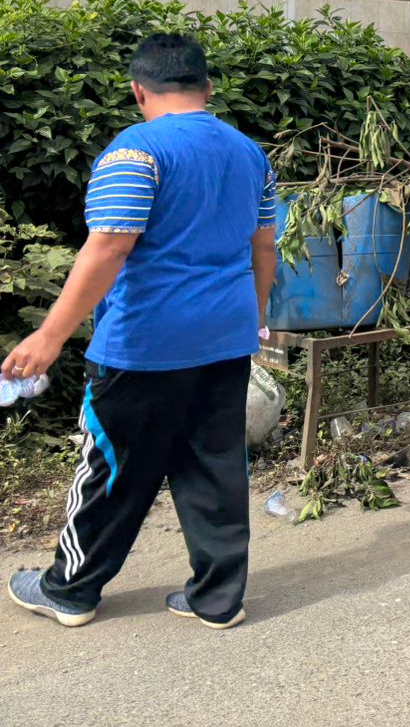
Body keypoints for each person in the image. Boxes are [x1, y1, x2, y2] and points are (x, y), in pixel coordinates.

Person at [4, 34, 277, 629]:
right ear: (207, 88)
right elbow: (264, 247)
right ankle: (217, 599)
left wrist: (49, 336)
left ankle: (69, 591)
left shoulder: (134, 151)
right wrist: (254, 317)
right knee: (215, 465)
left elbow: (108, 247)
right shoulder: (250, 154)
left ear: (137, 90)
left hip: (145, 344)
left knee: (113, 466)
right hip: (226, 338)